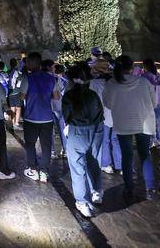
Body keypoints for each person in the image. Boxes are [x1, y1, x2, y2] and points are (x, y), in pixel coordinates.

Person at [103, 55, 157, 201]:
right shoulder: (144, 82)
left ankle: (129, 187)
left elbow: (107, 104)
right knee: (145, 154)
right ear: (131, 68)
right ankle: (150, 185)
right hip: (144, 122)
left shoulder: (111, 84)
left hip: (123, 122)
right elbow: (155, 102)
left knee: (127, 157)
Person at [62, 65, 104, 218]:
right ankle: (97, 192)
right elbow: (100, 112)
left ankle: (82, 202)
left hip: (78, 132)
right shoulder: (93, 95)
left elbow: (66, 116)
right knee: (94, 161)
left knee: (77, 167)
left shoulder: (68, 96)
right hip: (97, 129)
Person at [20, 52, 60, 183]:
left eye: (29, 62)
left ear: (34, 63)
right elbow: (56, 97)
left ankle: (32, 169)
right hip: (47, 117)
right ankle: (44, 172)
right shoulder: (50, 78)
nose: (27, 64)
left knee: (30, 144)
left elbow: (22, 96)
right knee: (46, 146)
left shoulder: (27, 78)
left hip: (31, 117)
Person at [88, 59, 122, 175]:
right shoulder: (116, 82)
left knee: (105, 140)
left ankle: (106, 164)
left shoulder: (94, 83)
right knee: (116, 140)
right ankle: (121, 165)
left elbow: (92, 101)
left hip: (103, 116)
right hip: (117, 115)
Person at [141, 58, 160, 149]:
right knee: (159, 122)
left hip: (150, 102)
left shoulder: (145, 76)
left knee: (150, 122)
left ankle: (152, 141)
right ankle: (158, 141)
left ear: (145, 66)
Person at [52, 64, 68, 157]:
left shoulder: (52, 79)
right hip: (60, 107)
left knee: (51, 130)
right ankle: (65, 149)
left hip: (52, 107)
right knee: (62, 129)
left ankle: (52, 151)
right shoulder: (64, 81)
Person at [7, 58, 24, 130]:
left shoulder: (8, 71)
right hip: (17, 92)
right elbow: (20, 81)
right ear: (16, 64)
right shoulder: (17, 72)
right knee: (18, 108)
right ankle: (16, 123)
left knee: (12, 108)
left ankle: (13, 123)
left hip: (10, 93)